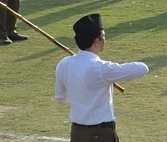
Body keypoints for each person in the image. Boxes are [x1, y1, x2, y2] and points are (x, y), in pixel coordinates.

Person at [55, 14, 149, 142]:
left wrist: (79, 92)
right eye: (103, 37)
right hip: (100, 135)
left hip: (77, 134)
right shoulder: (101, 69)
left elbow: (61, 99)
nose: (105, 40)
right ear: (96, 41)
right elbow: (143, 68)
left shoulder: (64, 64)